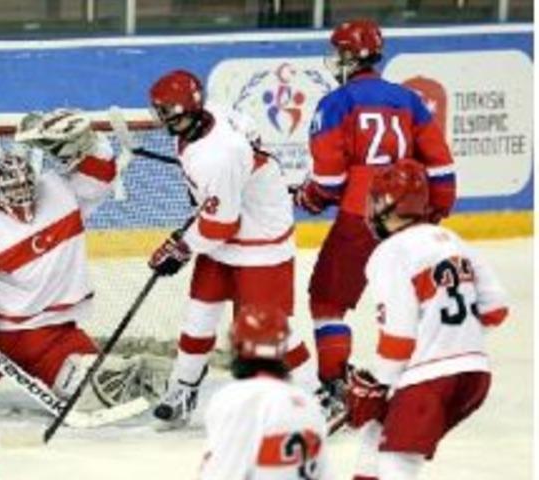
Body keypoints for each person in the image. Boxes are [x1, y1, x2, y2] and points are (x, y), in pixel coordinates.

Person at [0, 109, 168, 411]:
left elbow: (102, 174)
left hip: (56, 334)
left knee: (98, 395)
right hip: (2, 336)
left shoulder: (61, 190)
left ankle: (137, 373)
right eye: (11, 190)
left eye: (25, 184)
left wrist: (87, 144)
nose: (22, 194)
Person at [293, 19, 456, 401]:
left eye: (339, 54)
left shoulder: (335, 103)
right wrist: (434, 214)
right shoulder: (409, 99)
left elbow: (329, 182)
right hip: (410, 215)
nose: (335, 61)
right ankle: (429, 375)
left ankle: (335, 382)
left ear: (351, 58)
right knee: (413, 298)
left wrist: (310, 198)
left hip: (360, 216)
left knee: (327, 300)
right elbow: (442, 166)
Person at [147, 69, 319, 428]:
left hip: (259, 240)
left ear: (189, 111)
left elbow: (223, 225)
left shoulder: (218, 156)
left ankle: (313, 395)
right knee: (199, 315)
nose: (164, 120)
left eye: (169, 113)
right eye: (161, 112)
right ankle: (183, 388)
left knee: (270, 326)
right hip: (223, 233)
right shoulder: (212, 116)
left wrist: (180, 249)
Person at [346, 158, 507, 480]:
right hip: (474, 376)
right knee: (375, 438)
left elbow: (399, 338)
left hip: (429, 380)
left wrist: (380, 385)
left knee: (397, 464)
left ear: (387, 204)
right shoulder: (453, 241)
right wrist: (451, 337)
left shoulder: (390, 253)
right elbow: (496, 309)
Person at [200, 306, 333, 480]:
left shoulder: (229, 400)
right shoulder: (309, 404)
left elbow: (221, 473)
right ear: (284, 347)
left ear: (237, 346)